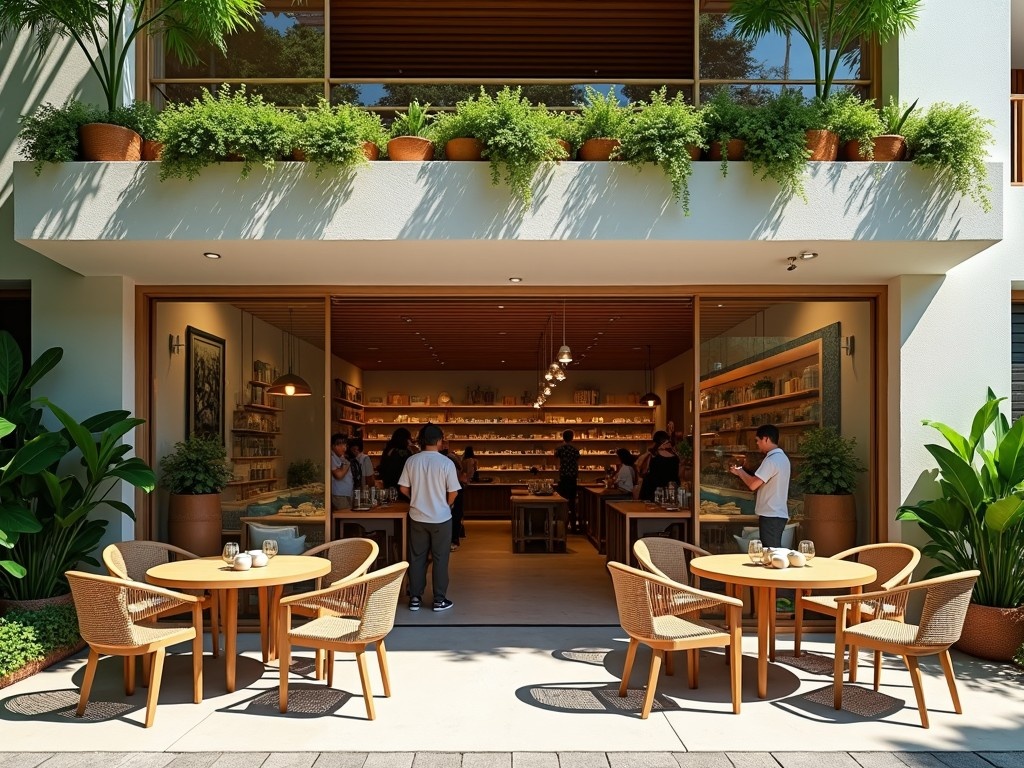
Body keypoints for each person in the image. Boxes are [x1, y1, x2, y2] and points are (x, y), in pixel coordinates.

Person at [399, 424, 461, 612]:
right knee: (440, 559)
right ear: (440, 441)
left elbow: (403, 488)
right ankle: (439, 600)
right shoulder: (446, 463)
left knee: (417, 558)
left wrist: (417, 499)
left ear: (421, 441)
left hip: (417, 516)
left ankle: (415, 598)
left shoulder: (412, 461)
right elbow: (453, 492)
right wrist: (445, 505)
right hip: (441, 518)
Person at [729, 424, 791, 547]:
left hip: (771, 515)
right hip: (775, 514)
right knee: (772, 552)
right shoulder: (782, 458)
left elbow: (753, 484)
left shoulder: (772, 460)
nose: (757, 444)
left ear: (766, 439)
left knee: (772, 553)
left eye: (758, 440)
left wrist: (739, 471)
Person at [637, 430, 680, 501]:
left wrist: (651, 450)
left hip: (651, 490)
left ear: (655, 442)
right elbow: (678, 474)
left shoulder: (652, 455)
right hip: (670, 490)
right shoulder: (675, 457)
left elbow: (641, 469)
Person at [440, 438, 467, 551]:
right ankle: (452, 540)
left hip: (448, 489)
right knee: (455, 515)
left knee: (452, 515)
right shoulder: (453, 457)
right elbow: (461, 470)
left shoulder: (446, 458)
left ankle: (450, 540)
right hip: (454, 488)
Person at [378, 427, 417, 501]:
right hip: (404, 486)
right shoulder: (406, 452)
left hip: (389, 486)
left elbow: (383, 467)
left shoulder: (388, 450)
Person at [553, 429, 581, 533]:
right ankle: (573, 526)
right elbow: (577, 459)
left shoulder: (560, 449)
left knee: (562, 503)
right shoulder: (575, 449)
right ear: (572, 437)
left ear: (563, 437)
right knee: (572, 503)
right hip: (573, 478)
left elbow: (555, 457)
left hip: (563, 477)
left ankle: (561, 526)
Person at [329, 433, 353, 510]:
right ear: (333, 446)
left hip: (347, 493)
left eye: (344, 445)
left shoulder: (341, 457)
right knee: (344, 517)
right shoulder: (331, 458)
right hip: (339, 494)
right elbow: (339, 475)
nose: (343, 448)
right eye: (339, 445)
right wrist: (346, 465)